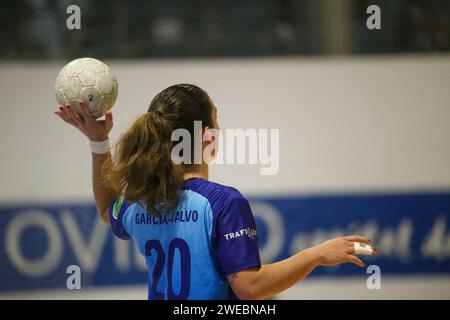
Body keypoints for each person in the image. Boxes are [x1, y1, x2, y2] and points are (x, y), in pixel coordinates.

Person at [55, 83, 375, 300]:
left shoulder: (142, 200)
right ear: (206, 136)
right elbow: (249, 287)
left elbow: (107, 208)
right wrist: (316, 255)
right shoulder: (222, 201)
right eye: (217, 118)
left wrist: (98, 143)